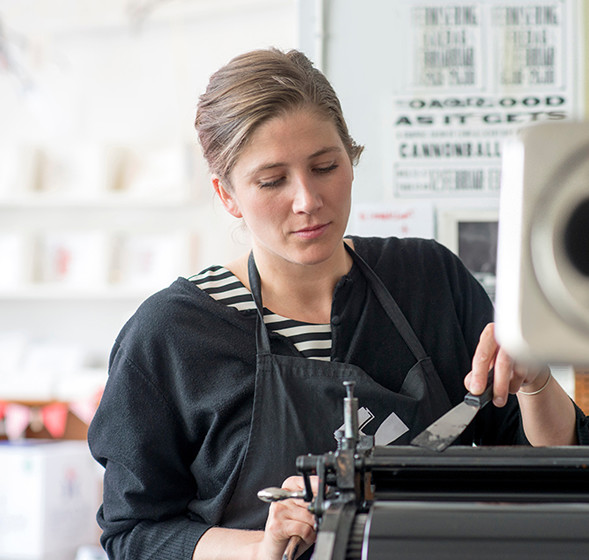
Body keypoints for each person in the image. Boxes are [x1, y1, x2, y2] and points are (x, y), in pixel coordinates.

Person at [88, 48, 589, 560]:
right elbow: (136, 533)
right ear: (228, 196)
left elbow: (555, 472)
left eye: (325, 166)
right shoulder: (172, 334)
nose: (307, 199)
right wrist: (260, 549)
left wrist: (537, 382)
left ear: (350, 159)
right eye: (272, 180)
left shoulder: (429, 280)